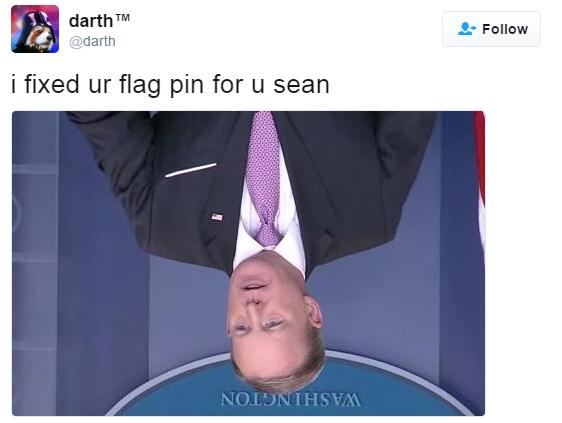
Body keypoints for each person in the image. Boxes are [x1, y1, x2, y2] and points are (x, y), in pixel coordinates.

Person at [67, 111, 436, 393]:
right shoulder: (370, 217)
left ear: (228, 324)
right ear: (311, 312)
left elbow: (102, 117)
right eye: (273, 323)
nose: (253, 309)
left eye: (243, 328)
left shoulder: (162, 226)